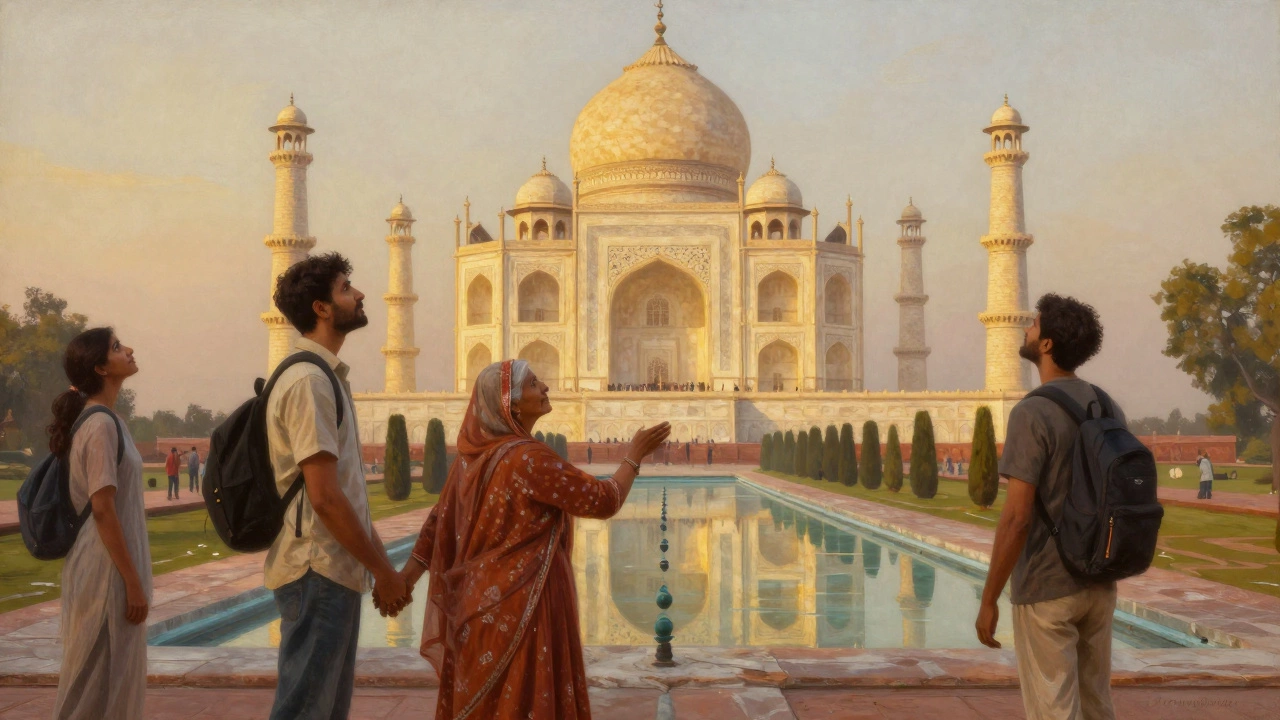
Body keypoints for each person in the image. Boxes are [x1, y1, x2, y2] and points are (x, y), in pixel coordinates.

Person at [399, 360, 669, 718]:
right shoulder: (528, 458)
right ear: (510, 403)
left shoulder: (471, 461)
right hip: (527, 607)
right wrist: (633, 456)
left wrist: (404, 580)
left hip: (478, 607)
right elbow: (603, 500)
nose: (544, 388)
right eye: (533, 385)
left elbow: (437, 525)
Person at [264, 252, 411, 719]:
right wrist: (384, 573)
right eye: (347, 288)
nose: (360, 294)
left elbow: (340, 494)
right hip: (317, 569)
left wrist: (380, 568)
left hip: (332, 569)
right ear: (322, 308)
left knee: (323, 710)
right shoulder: (308, 380)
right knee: (306, 709)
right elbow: (325, 497)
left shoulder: (325, 376)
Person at [975, 294, 1123, 720]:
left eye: (1034, 325)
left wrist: (989, 599)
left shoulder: (1033, 412)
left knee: (1054, 710)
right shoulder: (1107, 405)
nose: (1026, 328)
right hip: (1099, 581)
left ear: (1046, 346)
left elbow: (1017, 518)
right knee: (1097, 707)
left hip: (1047, 587)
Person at [51, 327, 151, 719]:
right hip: (105, 571)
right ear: (100, 368)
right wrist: (131, 581)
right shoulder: (99, 425)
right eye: (116, 347)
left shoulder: (110, 421)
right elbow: (103, 509)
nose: (128, 349)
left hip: (108, 565)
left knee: (112, 680)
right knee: (93, 683)